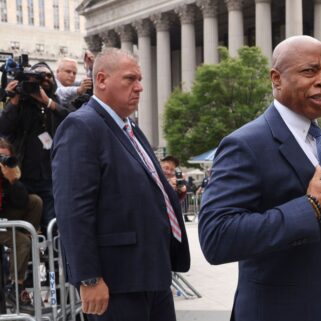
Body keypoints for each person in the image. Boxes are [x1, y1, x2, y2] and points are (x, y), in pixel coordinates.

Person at [198, 35, 321, 321]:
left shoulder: (318, 139)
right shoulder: (245, 144)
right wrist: (310, 208)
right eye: (309, 71)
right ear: (276, 79)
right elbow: (217, 237)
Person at [52, 48, 190, 320]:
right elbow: (74, 210)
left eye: (140, 79)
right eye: (130, 79)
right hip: (116, 282)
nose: (139, 87)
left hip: (153, 274)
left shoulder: (130, 128)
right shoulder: (81, 127)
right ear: (101, 80)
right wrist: (89, 278)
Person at [0, 62, 71, 234]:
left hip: (49, 176)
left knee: (52, 225)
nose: (45, 79)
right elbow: (3, 128)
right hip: (23, 175)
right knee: (25, 223)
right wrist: (14, 100)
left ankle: (50, 258)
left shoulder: (55, 103)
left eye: (48, 75)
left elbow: (71, 121)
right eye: (40, 76)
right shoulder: (20, 104)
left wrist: (47, 103)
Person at [0, 137, 42, 312]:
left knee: (35, 202)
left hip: (5, 218)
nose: (3, 161)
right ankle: (15, 288)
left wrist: (11, 180)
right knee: (22, 243)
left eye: (5, 157)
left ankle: (24, 243)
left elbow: (23, 202)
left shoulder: (8, 172)